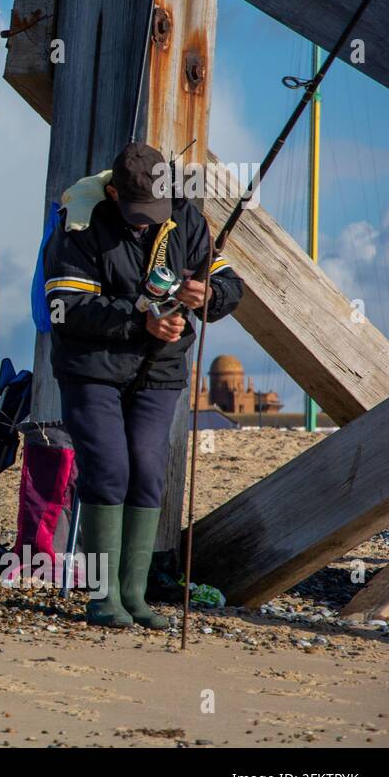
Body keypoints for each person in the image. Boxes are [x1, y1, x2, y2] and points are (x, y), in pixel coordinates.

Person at [41, 142, 244, 628]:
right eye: (136, 212)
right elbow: (64, 308)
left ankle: (134, 597)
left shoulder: (186, 220)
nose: (146, 222)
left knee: (149, 470)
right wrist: (141, 321)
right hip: (91, 368)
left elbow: (229, 286)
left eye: (154, 211)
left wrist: (208, 295)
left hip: (160, 369)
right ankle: (101, 597)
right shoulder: (80, 224)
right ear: (112, 192)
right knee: (108, 470)